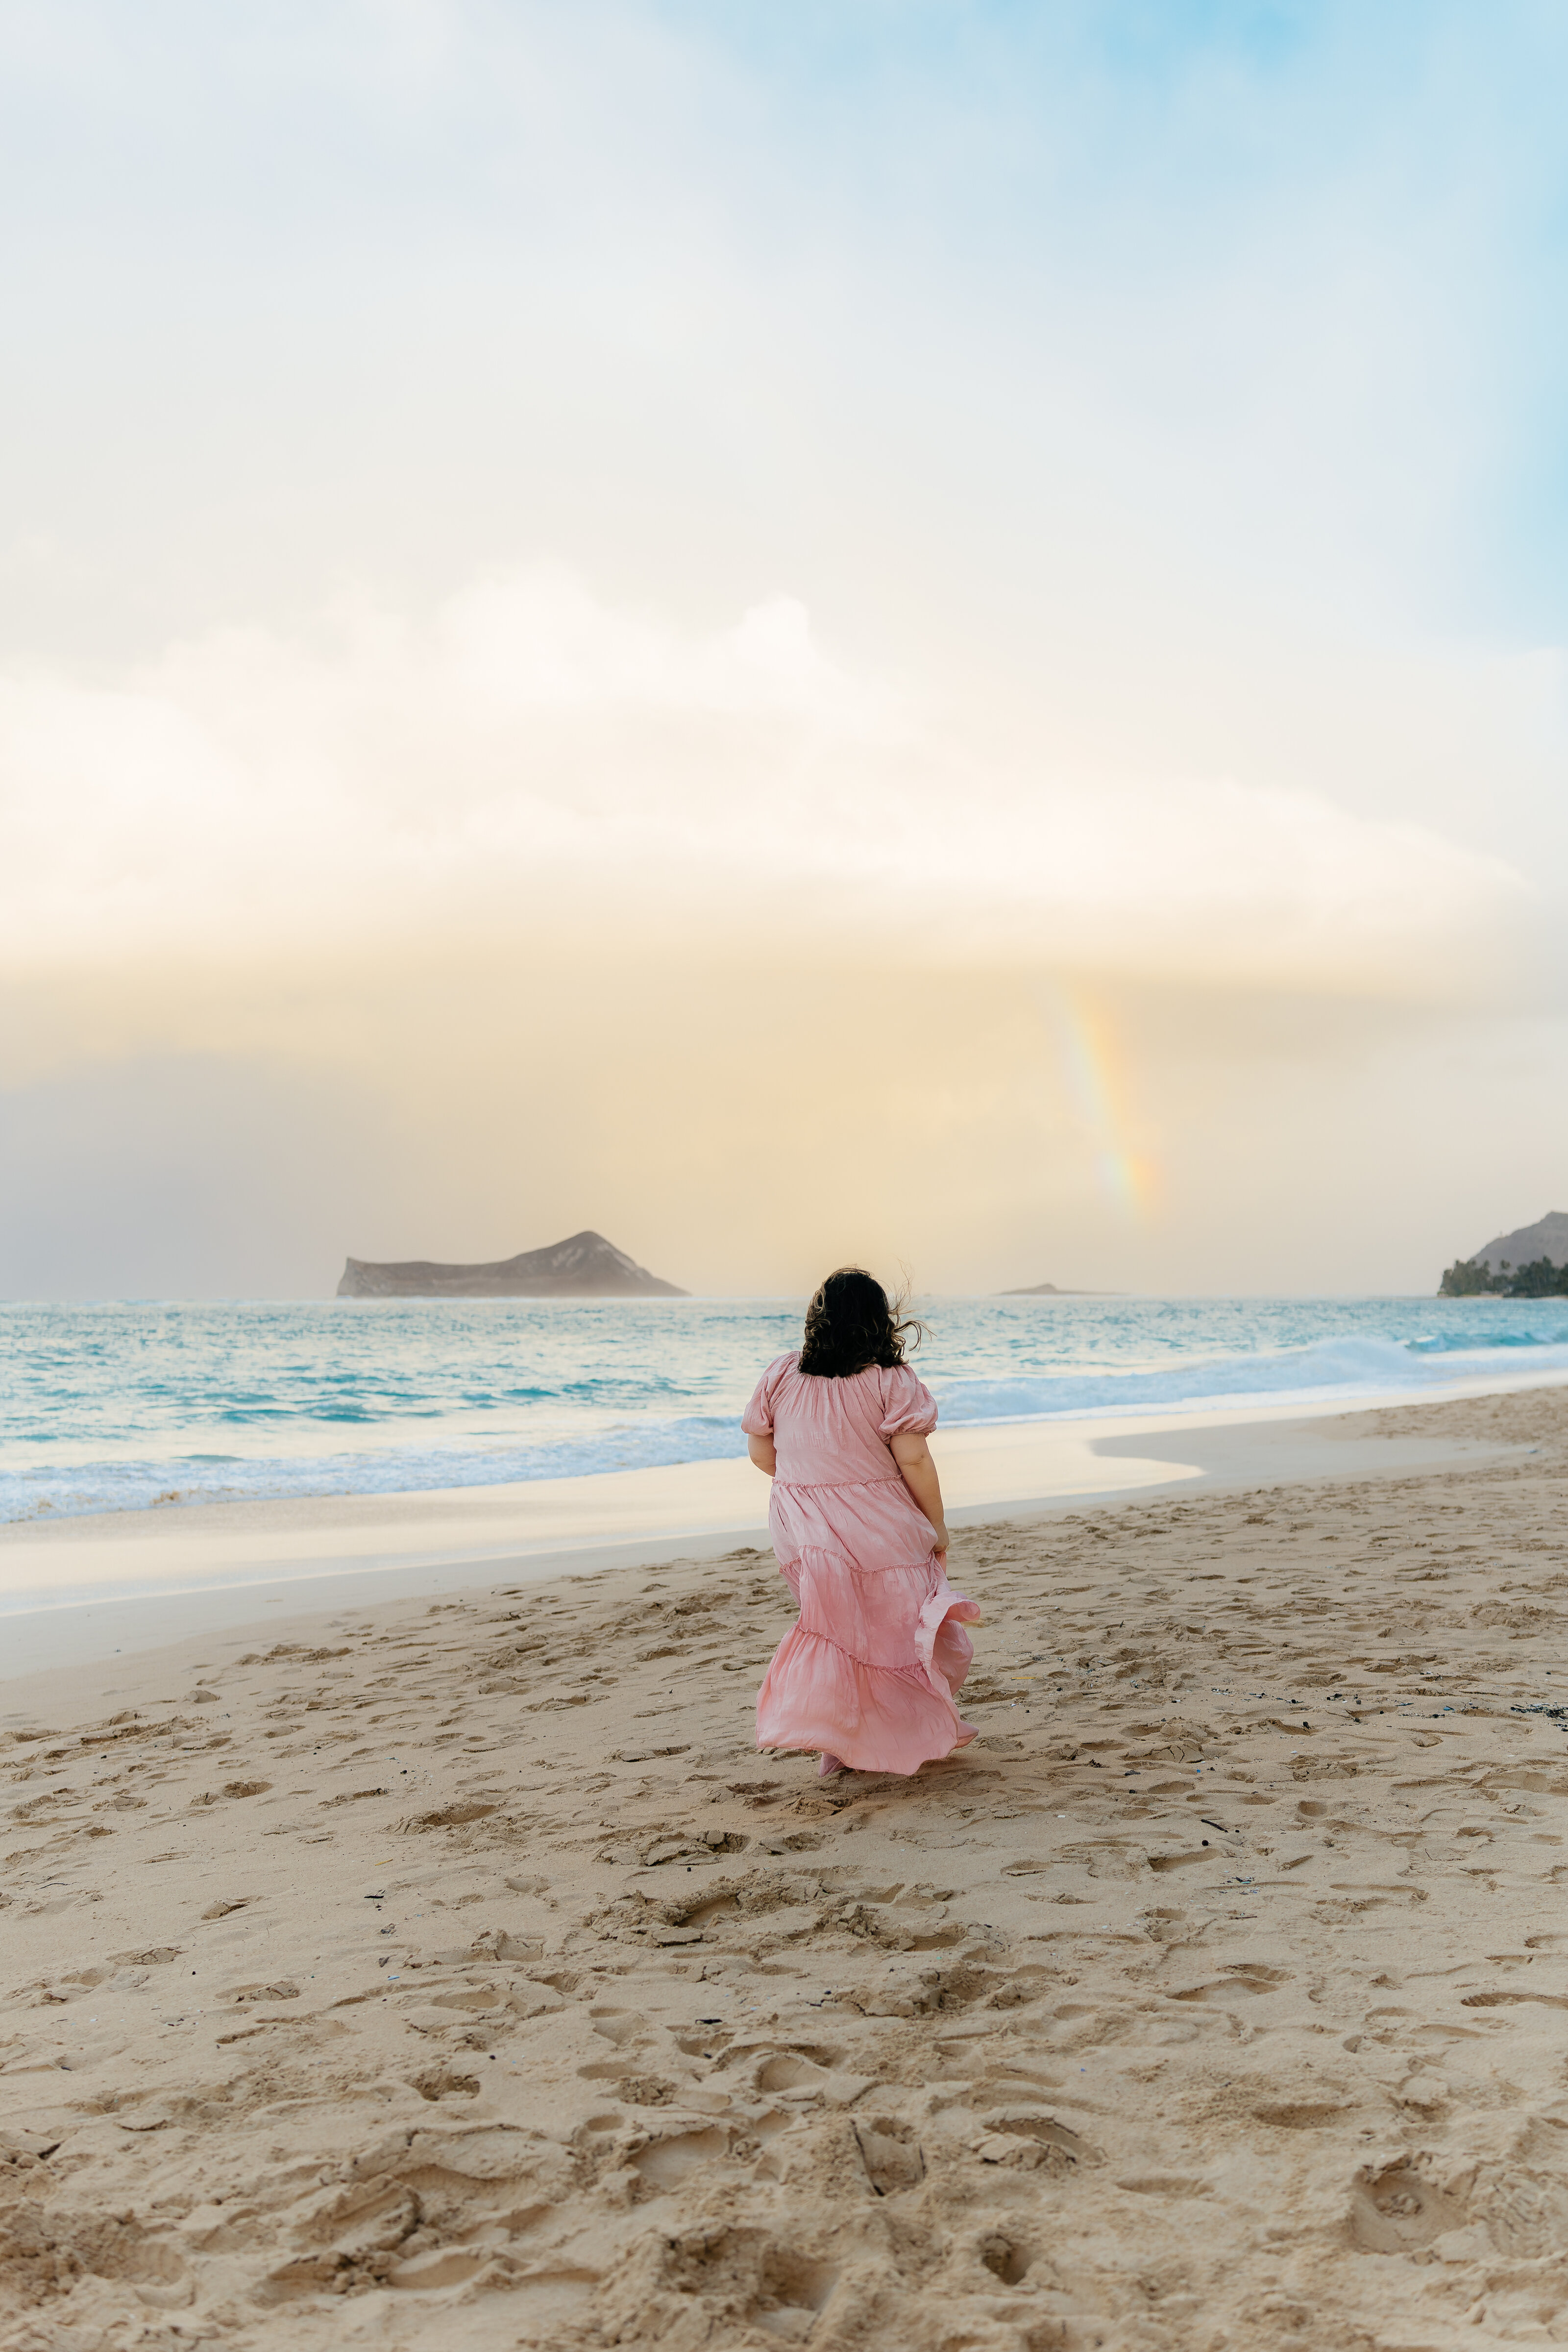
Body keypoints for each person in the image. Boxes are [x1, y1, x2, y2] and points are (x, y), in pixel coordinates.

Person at [742, 1267, 980, 1778]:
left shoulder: (781, 1375)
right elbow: (913, 1460)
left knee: (841, 1631)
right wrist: (934, 1524)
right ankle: (894, 1732)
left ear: (815, 1320)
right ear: (879, 1323)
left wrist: (809, 1484)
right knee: (898, 1630)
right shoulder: (890, 1382)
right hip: (878, 1524)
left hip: (803, 1527)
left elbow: (762, 1452)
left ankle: (841, 1743)